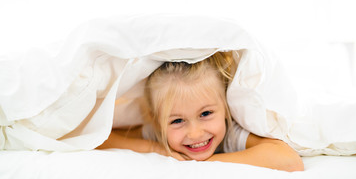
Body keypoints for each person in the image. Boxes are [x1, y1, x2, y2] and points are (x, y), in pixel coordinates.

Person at [98, 52, 304, 172]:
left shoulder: (231, 134)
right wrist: (156, 149)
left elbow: (289, 159)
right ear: (157, 121)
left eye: (205, 114)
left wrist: (203, 163)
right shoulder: (162, 136)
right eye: (177, 120)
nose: (195, 133)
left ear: (226, 108)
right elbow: (99, 138)